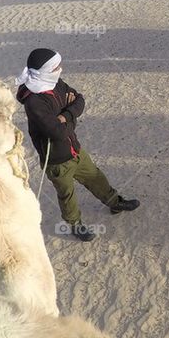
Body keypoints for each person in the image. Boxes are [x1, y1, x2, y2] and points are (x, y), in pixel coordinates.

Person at [16, 48, 139, 242]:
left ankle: (115, 203)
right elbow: (57, 133)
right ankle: (75, 225)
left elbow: (79, 99)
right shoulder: (34, 102)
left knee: (96, 177)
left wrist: (65, 116)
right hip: (57, 161)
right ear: (45, 70)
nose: (60, 68)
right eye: (56, 66)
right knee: (67, 196)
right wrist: (70, 116)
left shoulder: (55, 82)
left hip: (75, 149)